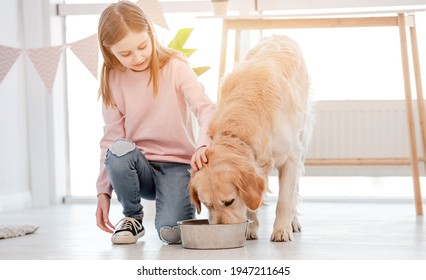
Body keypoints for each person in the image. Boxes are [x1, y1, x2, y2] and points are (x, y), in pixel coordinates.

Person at [95, 1, 215, 245]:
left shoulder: (175, 66)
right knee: (117, 149)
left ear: (150, 33)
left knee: (171, 233)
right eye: (125, 54)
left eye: (142, 46)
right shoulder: (113, 78)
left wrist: (203, 145)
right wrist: (103, 192)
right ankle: (131, 218)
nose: (137, 57)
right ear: (110, 51)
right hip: (138, 169)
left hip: (178, 167)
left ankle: (171, 216)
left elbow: (207, 109)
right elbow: (111, 138)